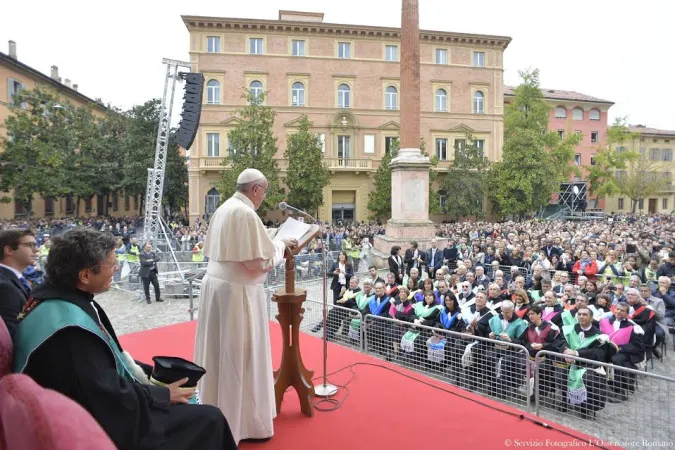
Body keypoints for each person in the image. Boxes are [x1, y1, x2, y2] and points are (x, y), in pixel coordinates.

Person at [12, 228, 236, 450]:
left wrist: (150, 374)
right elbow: (105, 395)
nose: (117, 268)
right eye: (111, 264)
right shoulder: (70, 331)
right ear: (86, 275)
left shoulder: (57, 299)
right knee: (209, 419)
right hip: (91, 425)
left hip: (87, 406)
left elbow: (106, 361)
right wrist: (162, 394)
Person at [194, 168, 297, 445]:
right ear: (255, 189)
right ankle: (242, 423)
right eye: (264, 191)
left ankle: (214, 414)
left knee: (217, 353)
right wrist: (280, 245)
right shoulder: (246, 213)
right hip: (236, 295)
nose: (264, 197)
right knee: (239, 355)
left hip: (217, 288)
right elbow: (258, 263)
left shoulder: (226, 207)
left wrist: (270, 240)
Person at [0, 229, 38, 337]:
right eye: (30, 245)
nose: (36, 250)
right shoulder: (4, 286)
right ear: (9, 250)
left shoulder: (15, 280)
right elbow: (11, 336)